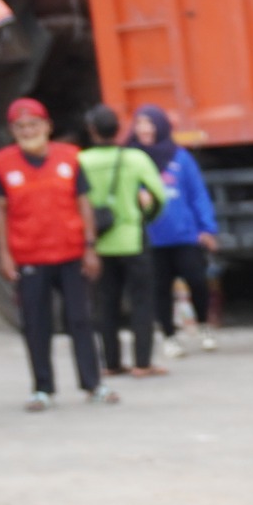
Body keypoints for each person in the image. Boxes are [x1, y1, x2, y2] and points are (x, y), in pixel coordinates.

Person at [0, 97, 111, 411]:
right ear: (13, 130)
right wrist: (4, 255)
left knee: (80, 320)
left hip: (70, 253)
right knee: (36, 324)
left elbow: (84, 204)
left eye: (34, 124)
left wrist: (90, 248)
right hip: (29, 256)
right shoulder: (1, 163)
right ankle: (42, 388)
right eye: (21, 126)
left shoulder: (70, 157)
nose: (28, 130)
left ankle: (93, 383)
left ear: (47, 126)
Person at [80, 104, 170, 380]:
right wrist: (146, 217)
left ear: (92, 131)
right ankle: (142, 363)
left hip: (100, 242)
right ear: (118, 130)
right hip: (132, 238)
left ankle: (111, 363)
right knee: (141, 301)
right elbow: (159, 195)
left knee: (105, 303)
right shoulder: (135, 158)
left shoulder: (80, 161)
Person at [134, 105, 221, 359]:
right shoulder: (132, 159)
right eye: (139, 123)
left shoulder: (180, 157)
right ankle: (170, 337)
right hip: (151, 237)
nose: (144, 129)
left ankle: (204, 326)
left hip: (185, 235)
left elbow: (197, 194)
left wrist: (207, 228)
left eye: (149, 123)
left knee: (197, 280)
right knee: (160, 288)